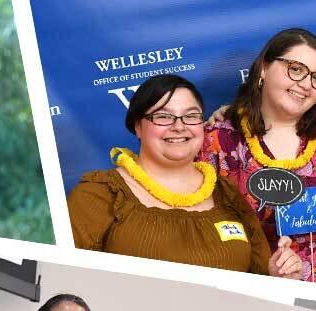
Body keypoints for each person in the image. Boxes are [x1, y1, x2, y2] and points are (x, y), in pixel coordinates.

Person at [69, 74, 301, 279]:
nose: (179, 126)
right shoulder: (99, 194)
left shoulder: (227, 194)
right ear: (138, 126)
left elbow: (259, 277)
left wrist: (278, 275)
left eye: (190, 116)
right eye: (163, 117)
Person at [201, 28, 316, 288]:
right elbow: (204, 235)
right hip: (246, 297)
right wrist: (266, 279)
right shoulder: (216, 142)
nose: (306, 84)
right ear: (263, 68)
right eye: (296, 69)